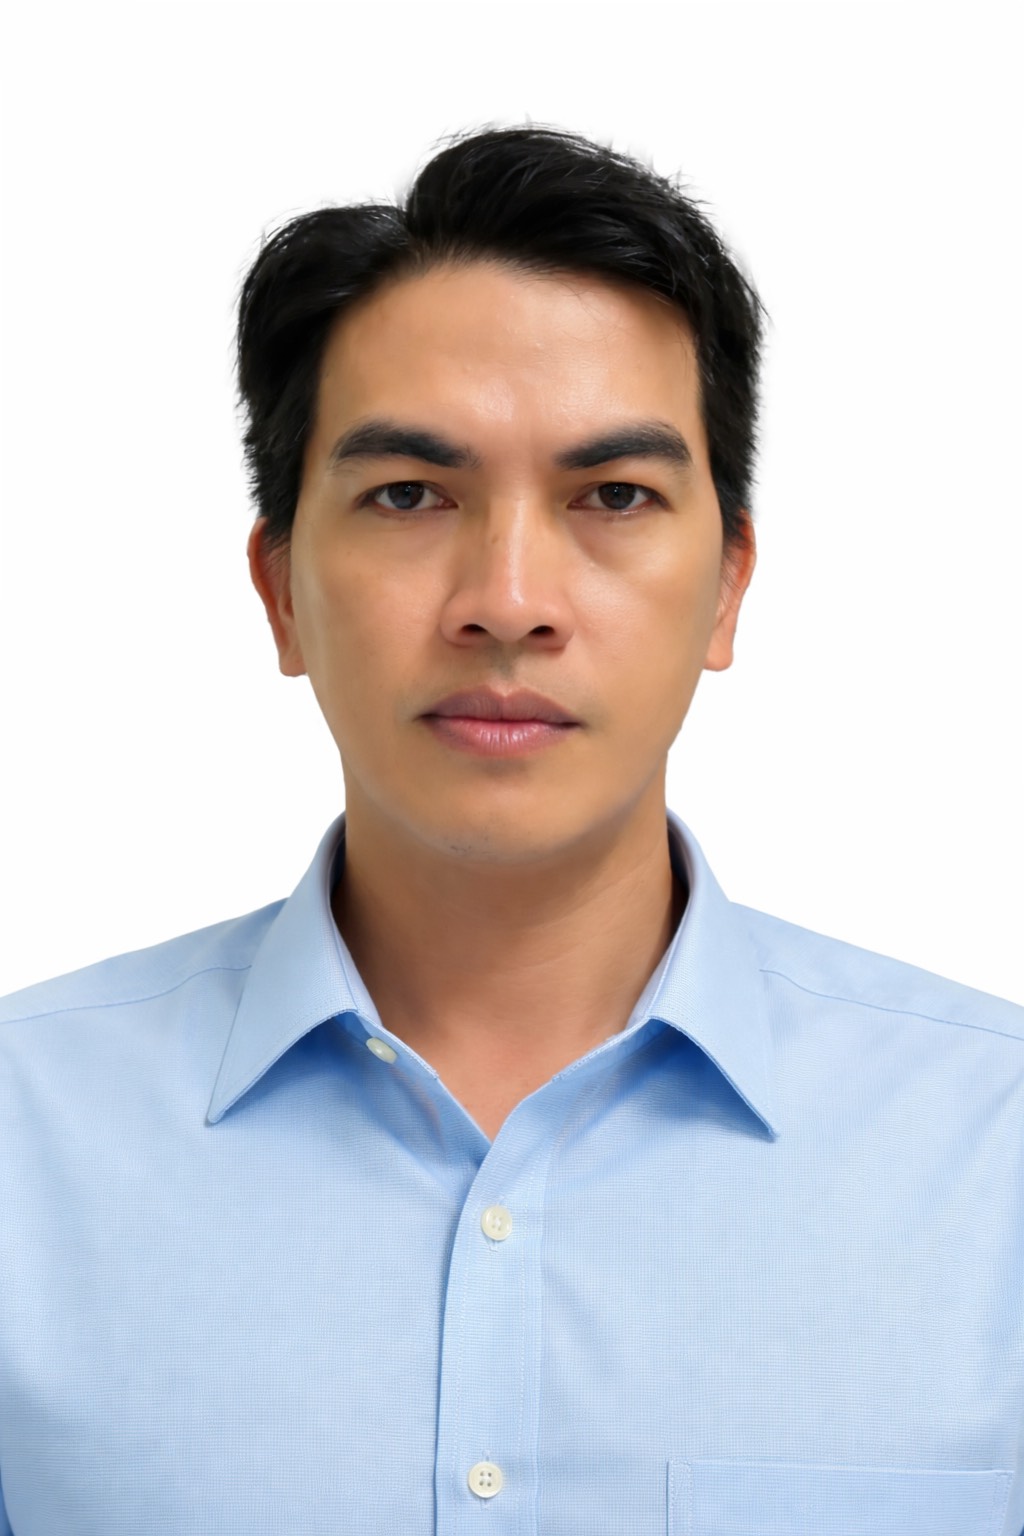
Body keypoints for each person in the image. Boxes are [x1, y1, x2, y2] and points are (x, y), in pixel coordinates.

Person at [0, 123, 1020, 1536]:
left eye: (614, 496)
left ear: (727, 589)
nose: (509, 600)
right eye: (410, 495)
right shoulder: (23, 1141)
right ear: (281, 590)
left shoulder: (994, 1152)